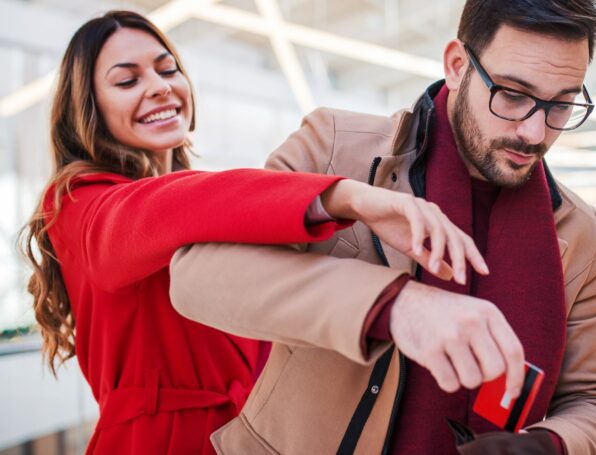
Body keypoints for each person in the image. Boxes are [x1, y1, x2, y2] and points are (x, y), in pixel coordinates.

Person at [19, 10, 485, 454]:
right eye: (128, 80)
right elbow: (156, 210)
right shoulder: (78, 202)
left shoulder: (209, 211)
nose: (161, 88)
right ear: (89, 106)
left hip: (248, 436)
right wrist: (348, 197)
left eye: (168, 70)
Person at [170, 0, 596, 453]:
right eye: (512, 95)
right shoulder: (335, 149)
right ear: (457, 66)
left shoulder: (576, 230)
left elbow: (594, 400)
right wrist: (394, 306)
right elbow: (197, 277)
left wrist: (548, 446)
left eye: (561, 105)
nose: (535, 132)